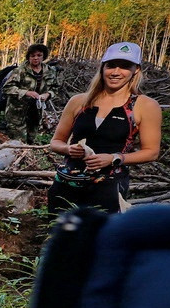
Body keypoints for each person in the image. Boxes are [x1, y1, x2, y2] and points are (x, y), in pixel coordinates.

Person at [47, 42, 161, 214]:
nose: (116, 72)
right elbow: (56, 142)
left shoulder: (144, 106)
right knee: (60, 236)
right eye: (111, 66)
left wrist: (114, 158)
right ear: (102, 67)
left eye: (124, 67)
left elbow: (151, 152)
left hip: (108, 188)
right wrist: (68, 149)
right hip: (67, 184)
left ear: (136, 69)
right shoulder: (79, 102)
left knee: (102, 238)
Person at [1, 42, 58, 144]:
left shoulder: (50, 71)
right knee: (18, 143)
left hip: (36, 111)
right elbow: (7, 88)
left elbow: (56, 88)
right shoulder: (20, 71)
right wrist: (26, 92)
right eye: (33, 56)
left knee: (32, 140)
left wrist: (48, 94)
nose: (36, 58)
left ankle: (28, 157)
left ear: (43, 56)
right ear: (28, 57)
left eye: (39, 55)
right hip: (17, 112)